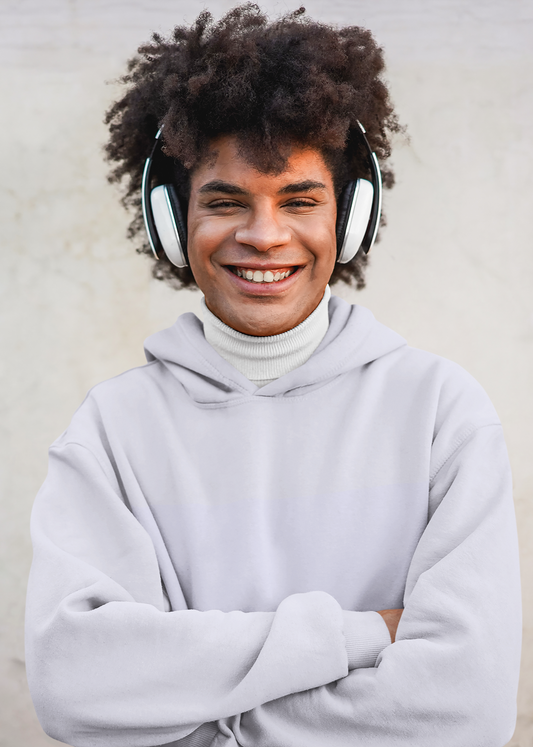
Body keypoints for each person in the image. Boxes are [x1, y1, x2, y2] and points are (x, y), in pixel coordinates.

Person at [25, 5, 521, 746]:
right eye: (224, 201)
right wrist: (361, 635)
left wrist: (198, 716)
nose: (263, 235)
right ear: (171, 221)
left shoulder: (441, 413)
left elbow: (462, 707)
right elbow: (75, 684)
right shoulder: (110, 432)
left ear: (348, 218)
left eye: (299, 200)